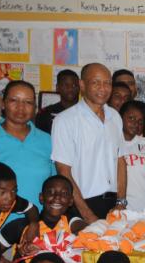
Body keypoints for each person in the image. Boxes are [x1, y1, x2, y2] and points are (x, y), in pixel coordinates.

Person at [51, 63, 125, 222]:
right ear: (82, 85)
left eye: (107, 83)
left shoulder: (115, 117)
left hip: (113, 204)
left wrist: (121, 201)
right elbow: (64, 171)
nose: (103, 88)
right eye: (96, 82)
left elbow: (120, 161)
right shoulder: (65, 121)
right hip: (82, 204)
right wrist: (87, 215)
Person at [0, 80, 55, 208]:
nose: (21, 107)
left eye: (28, 102)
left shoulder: (47, 141)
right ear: (3, 104)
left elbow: (55, 183)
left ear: (35, 108)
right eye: (14, 100)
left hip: (40, 223)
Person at [117, 100, 145, 213]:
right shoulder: (110, 145)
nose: (135, 123)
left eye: (140, 121)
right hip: (121, 211)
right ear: (120, 118)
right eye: (131, 118)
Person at [35, 69, 79, 133]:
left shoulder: (87, 113)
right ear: (57, 87)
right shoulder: (45, 114)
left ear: (79, 88)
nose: (70, 88)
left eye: (74, 85)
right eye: (66, 85)